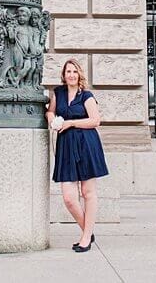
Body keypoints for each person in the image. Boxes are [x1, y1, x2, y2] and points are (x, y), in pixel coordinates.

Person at [47, 58, 109, 252]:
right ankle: (87, 231)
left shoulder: (86, 95)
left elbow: (95, 120)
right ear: (64, 75)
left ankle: (84, 238)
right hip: (66, 146)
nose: (71, 75)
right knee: (69, 197)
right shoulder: (58, 93)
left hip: (86, 144)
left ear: (79, 74)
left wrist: (71, 123)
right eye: (68, 72)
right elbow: (50, 112)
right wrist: (53, 120)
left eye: (74, 71)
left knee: (87, 193)